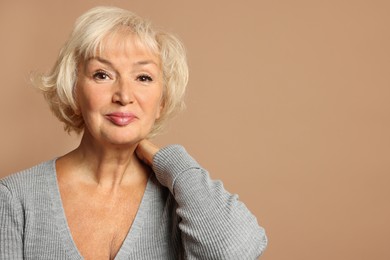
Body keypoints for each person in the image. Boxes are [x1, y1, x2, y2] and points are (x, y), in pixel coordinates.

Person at [0, 6, 267, 260]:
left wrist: (171, 162)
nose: (124, 96)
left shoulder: (184, 199)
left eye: (143, 77)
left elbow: (236, 252)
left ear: (162, 100)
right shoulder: (15, 198)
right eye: (102, 75)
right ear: (73, 89)